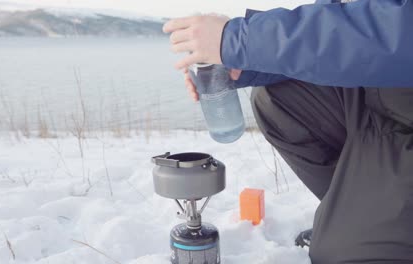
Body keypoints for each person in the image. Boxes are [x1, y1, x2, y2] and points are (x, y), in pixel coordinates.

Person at [163, 0, 413, 263]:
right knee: (277, 96)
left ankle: (365, 231)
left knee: (344, 254)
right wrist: (248, 63)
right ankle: (352, 214)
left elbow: (401, 31)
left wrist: (241, 40)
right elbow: (348, 21)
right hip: (386, 105)